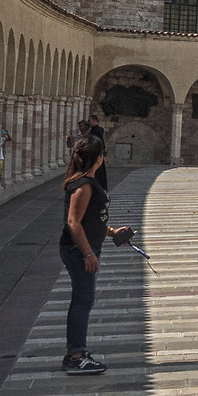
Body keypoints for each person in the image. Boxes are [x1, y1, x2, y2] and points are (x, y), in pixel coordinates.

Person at [57, 133, 132, 375]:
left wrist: (111, 232)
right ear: (98, 158)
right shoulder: (84, 185)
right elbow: (74, 222)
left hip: (84, 247)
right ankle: (76, 356)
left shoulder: (84, 181)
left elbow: (91, 219)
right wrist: (88, 254)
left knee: (83, 299)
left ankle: (76, 352)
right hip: (79, 250)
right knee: (83, 300)